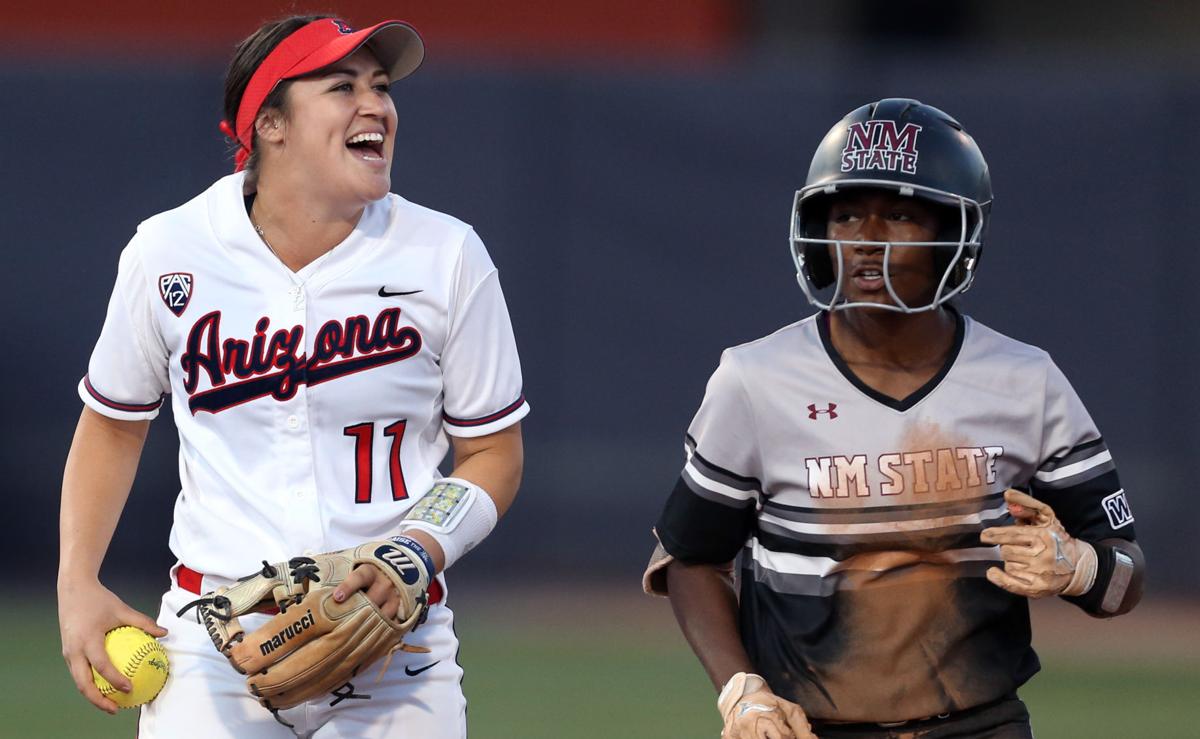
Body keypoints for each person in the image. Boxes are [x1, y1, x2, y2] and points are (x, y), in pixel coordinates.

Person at [57, 14, 528, 738]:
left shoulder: (447, 256)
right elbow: (113, 425)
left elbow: (494, 453)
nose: (376, 104)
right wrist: (76, 582)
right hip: (214, 635)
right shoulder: (171, 250)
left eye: (381, 87)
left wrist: (417, 548)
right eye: (343, 87)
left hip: (393, 637)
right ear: (270, 124)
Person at [642, 98, 1144, 739]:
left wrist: (1078, 567)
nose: (866, 239)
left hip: (979, 724)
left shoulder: (1025, 380)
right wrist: (742, 692)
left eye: (901, 215)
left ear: (956, 235)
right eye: (846, 214)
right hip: (810, 726)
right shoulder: (754, 379)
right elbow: (691, 560)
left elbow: (1124, 574)